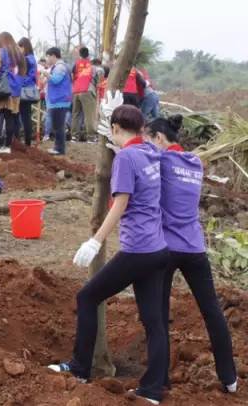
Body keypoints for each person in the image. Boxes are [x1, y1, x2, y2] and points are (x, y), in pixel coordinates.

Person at [49, 104, 169, 405]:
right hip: (158, 248)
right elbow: (137, 162)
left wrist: (95, 241)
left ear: (115, 129)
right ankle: (153, 389)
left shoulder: (126, 158)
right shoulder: (151, 152)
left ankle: (78, 368)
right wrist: (117, 143)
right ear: (141, 129)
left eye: (111, 132)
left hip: (137, 249)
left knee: (87, 297)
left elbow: (120, 203)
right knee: (154, 320)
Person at [145, 115, 238, 395]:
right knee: (211, 310)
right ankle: (229, 377)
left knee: (158, 315)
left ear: (159, 139)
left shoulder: (160, 162)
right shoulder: (195, 162)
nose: (149, 146)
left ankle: (160, 380)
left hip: (166, 249)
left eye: (150, 141)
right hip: (195, 248)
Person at [0, 32, 26, 154]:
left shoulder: (1, 52)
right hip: (15, 90)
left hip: (2, 89)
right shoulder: (19, 54)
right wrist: (17, 83)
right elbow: (23, 72)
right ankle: (8, 145)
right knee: (10, 117)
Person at [44, 47, 72, 155]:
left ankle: (59, 149)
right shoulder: (58, 67)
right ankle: (58, 147)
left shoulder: (60, 67)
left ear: (53, 56)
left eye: (48, 56)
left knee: (59, 126)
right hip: (58, 100)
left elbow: (56, 80)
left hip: (60, 101)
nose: (47, 59)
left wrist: (47, 75)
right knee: (57, 125)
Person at [70, 47, 98, 142]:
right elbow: (96, 79)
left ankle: (74, 136)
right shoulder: (92, 65)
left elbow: (72, 76)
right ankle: (91, 137)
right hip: (87, 90)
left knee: (75, 114)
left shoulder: (75, 64)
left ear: (80, 55)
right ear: (88, 55)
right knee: (89, 114)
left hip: (76, 90)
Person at [17, 37, 39, 146]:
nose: (19, 49)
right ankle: (27, 142)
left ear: (24, 47)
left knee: (22, 116)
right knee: (27, 116)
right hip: (30, 90)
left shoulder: (26, 59)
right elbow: (33, 76)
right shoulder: (33, 59)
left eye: (20, 47)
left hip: (23, 91)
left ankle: (24, 142)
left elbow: (26, 76)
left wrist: (20, 84)